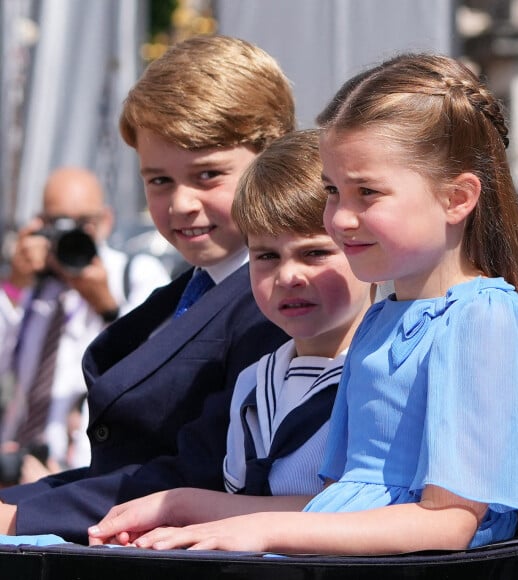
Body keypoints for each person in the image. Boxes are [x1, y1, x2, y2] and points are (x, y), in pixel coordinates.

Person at [97, 52, 518, 555]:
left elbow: (450, 521)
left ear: (457, 198)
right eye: (333, 191)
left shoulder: (482, 320)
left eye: (367, 192)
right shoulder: (384, 321)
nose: (339, 218)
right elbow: (337, 505)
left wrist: (257, 531)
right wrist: (184, 506)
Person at [0, 34, 294, 544]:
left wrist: (24, 518)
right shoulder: (190, 291)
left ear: (272, 161)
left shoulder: (281, 302)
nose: (180, 203)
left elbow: (201, 468)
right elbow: (121, 465)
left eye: (207, 175)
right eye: (158, 181)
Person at [87, 129, 373, 546]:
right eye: (266, 257)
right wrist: (172, 515)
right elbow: (241, 499)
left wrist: (184, 508)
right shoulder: (255, 383)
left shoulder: (385, 371)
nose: (289, 276)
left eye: (314, 252)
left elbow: (367, 512)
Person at [0, 167, 170, 478]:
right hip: (11, 465)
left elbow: (155, 374)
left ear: (106, 220)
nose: (69, 234)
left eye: (82, 224)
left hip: (85, 471)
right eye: (56, 223)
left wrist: (107, 306)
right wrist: (13, 287)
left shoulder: (134, 275)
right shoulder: (29, 283)